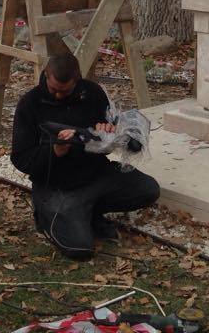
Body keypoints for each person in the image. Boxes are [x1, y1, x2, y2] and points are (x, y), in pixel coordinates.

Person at [10, 52, 159, 259]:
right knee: (80, 250)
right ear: (46, 75)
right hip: (56, 185)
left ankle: (89, 211)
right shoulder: (30, 103)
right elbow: (20, 158)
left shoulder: (93, 93)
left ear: (77, 79)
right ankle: (49, 214)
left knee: (148, 189)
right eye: (53, 89)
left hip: (95, 174)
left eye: (65, 91)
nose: (58, 96)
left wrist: (107, 134)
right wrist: (54, 152)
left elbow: (108, 140)